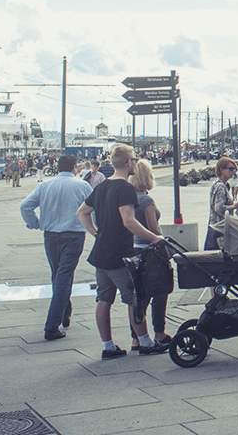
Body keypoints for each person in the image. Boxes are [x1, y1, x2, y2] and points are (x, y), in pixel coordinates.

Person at [76, 144, 167, 359]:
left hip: (101, 253)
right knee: (134, 298)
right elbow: (129, 220)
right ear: (127, 163)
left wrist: (96, 233)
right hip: (119, 253)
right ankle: (145, 342)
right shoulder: (125, 189)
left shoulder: (102, 187)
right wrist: (155, 238)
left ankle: (108, 346)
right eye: (134, 159)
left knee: (104, 299)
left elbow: (82, 212)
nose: (135, 162)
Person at [19, 154, 93, 340]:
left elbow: (25, 206)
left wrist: (35, 223)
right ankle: (52, 325)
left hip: (51, 236)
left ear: (57, 167)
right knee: (64, 275)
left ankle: (64, 312)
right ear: (74, 167)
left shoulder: (45, 185)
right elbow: (94, 208)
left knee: (57, 274)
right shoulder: (82, 186)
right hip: (74, 235)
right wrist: (96, 230)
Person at [127, 159, 171, 351]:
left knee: (139, 295)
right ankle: (159, 334)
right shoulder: (146, 201)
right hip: (151, 251)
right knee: (160, 292)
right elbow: (153, 229)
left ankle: (136, 337)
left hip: (133, 249)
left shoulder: (128, 199)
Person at [204, 157, 238, 250]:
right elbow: (219, 208)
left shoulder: (218, 184)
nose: (233, 171)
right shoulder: (221, 186)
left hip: (215, 226)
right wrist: (234, 206)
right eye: (230, 169)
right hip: (219, 228)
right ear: (221, 169)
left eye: (234, 169)